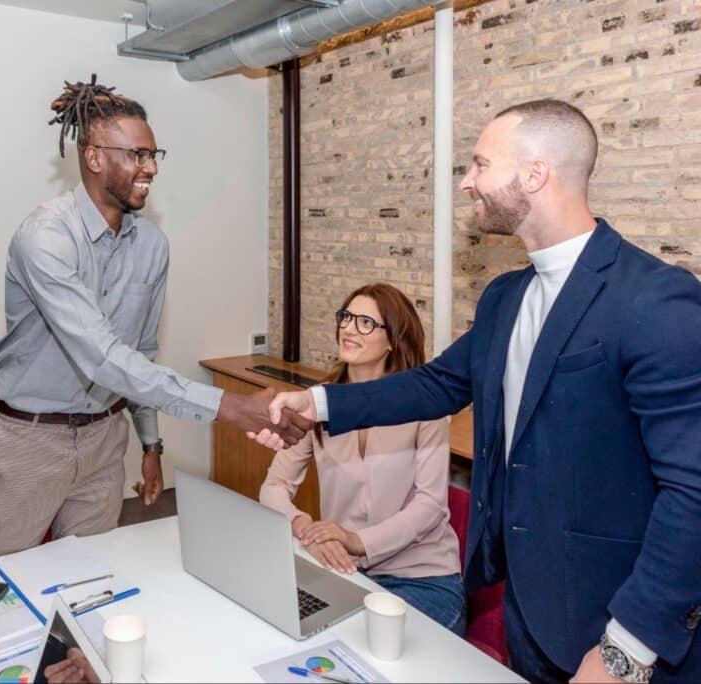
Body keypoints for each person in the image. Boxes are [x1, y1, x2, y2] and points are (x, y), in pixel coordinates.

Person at [255, 99, 701, 682]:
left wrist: (626, 649)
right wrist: (315, 403)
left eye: (479, 164)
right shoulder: (504, 297)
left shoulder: (654, 299)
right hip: (530, 613)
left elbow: (692, 493)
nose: (467, 182)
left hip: (616, 626)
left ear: (535, 174)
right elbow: (438, 383)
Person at [0, 74, 308, 560]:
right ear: (94, 157)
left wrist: (150, 445)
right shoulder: (45, 237)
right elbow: (103, 359)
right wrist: (231, 407)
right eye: (137, 155)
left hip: (105, 440)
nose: (150, 167)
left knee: (90, 583)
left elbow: (139, 354)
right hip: (31, 438)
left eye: (154, 155)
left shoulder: (153, 245)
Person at [259, 283, 464, 635]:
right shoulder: (319, 403)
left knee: (359, 644)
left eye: (366, 323)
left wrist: (355, 540)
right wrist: (304, 526)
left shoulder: (426, 407)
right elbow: (273, 487)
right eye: (347, 317)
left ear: (392, 341)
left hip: (420, 578)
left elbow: (429, 505)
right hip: (344, 568)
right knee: (280, 623)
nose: (349, 328)